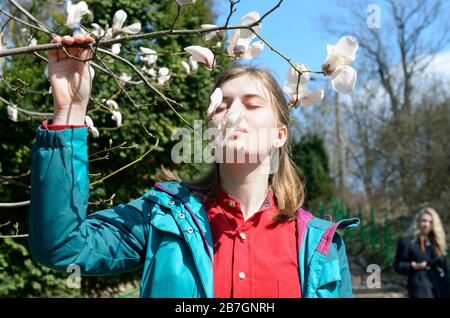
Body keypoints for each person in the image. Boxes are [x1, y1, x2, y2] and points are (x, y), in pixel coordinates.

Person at [29, 34, 359, 298]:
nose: (234, 114)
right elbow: (63, 246)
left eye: (252, 104)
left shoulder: (321, 245)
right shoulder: (161, 215)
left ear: (280, 134)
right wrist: (70, 112)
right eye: (223, 104)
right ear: (209, 127)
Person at [394, 207, 450, 298]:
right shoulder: (407, 242)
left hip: (440, 287)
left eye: (430, 222)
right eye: (424, 221)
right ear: (418, 222)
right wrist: (412, 266)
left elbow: (445, 267)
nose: (426, 224)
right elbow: (398, 265)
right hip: (420, 288)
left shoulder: (437, 242)